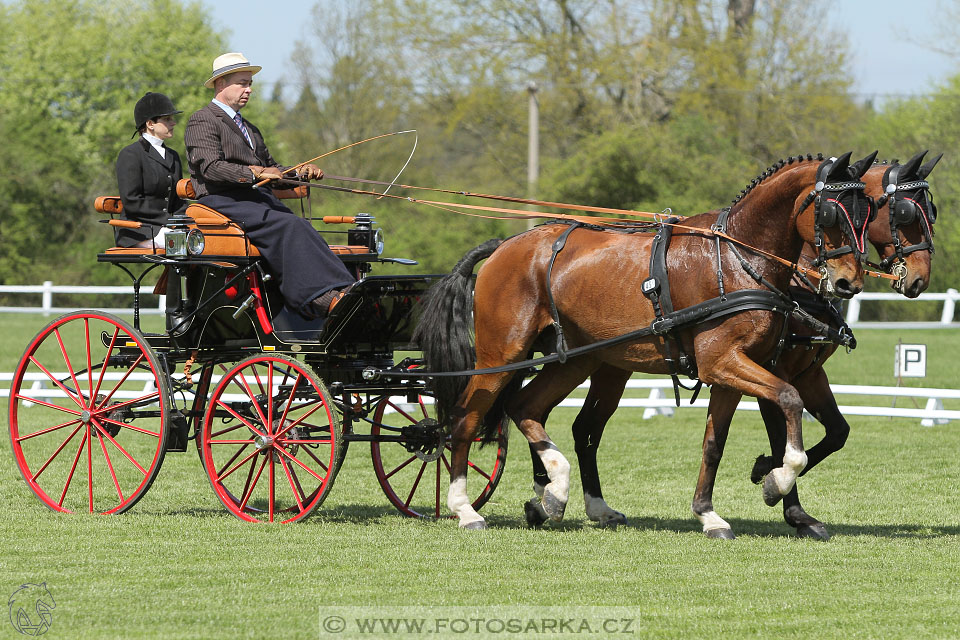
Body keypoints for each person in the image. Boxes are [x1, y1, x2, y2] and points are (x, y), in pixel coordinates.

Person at [184, 52, 354, 319]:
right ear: (221, 84)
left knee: (303, 227)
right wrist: (255, 173)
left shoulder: (249, 128)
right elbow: (210, 167)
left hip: (254, 200)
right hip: (222, 200)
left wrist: (298, 173)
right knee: (290, 225)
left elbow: (272, 167)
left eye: (250, 83)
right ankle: (318, 299)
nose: (249, 89)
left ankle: (343, 290)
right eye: (242, 83)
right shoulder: (202, 120)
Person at [115, 92, 187, 248]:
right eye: (167, 119)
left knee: (206, 238)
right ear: (150, 124)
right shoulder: (130, 154)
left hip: (167, 228)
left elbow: (178, 201)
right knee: (185, 245)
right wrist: (168, 220)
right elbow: (132, 201)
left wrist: (187, 220)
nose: (173, 123)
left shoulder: (173, 156)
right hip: (138, 230)